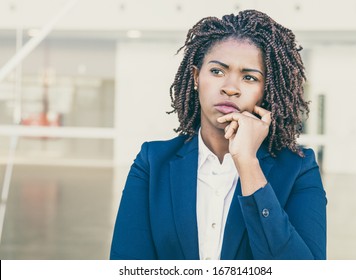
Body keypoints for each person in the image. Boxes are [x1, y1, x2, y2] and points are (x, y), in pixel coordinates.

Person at [110, 9, 327, 260]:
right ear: (195, 77)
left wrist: (248, 165)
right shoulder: (153, 162)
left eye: (249, 77)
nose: (230, 88)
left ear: (265, 92)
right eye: (217, 72)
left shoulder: (298, 169)